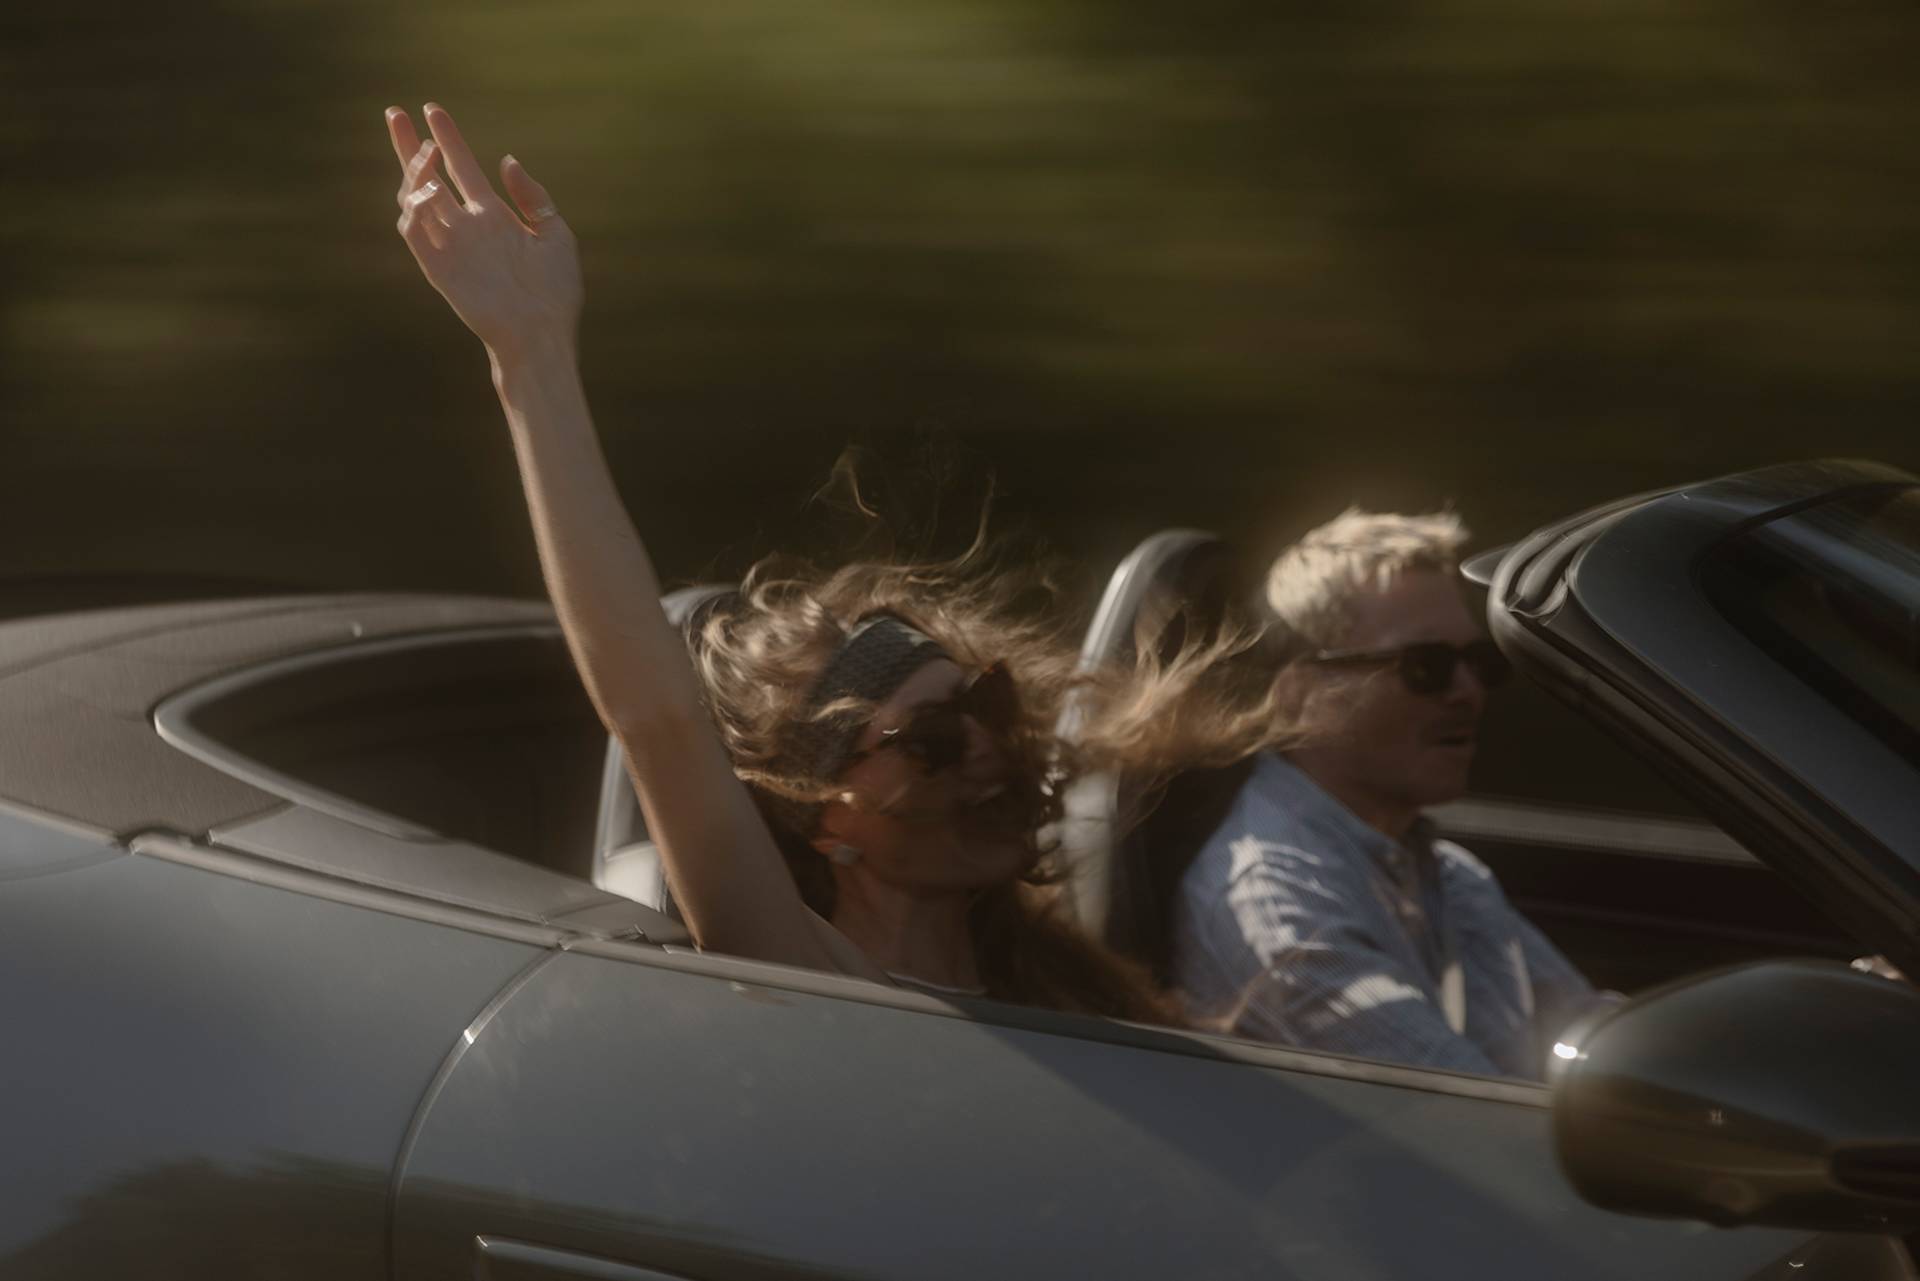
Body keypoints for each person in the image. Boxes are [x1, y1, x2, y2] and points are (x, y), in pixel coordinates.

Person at [382, 102, 1283, 1022]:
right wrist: (529, 357)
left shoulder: (1083, 993)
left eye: (986, 704)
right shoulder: (810, 977)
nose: (983, 748)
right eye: (928, 742)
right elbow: (656, 716)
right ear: (828, 819)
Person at [1171, 509, 1605, 1078]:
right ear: (1301, 694)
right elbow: (1467, 1123)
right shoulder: (1278, 908)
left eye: (1479, 662)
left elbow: (1590, 1037)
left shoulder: (1448, 876)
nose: (1469, 691)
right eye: (1426, 667)